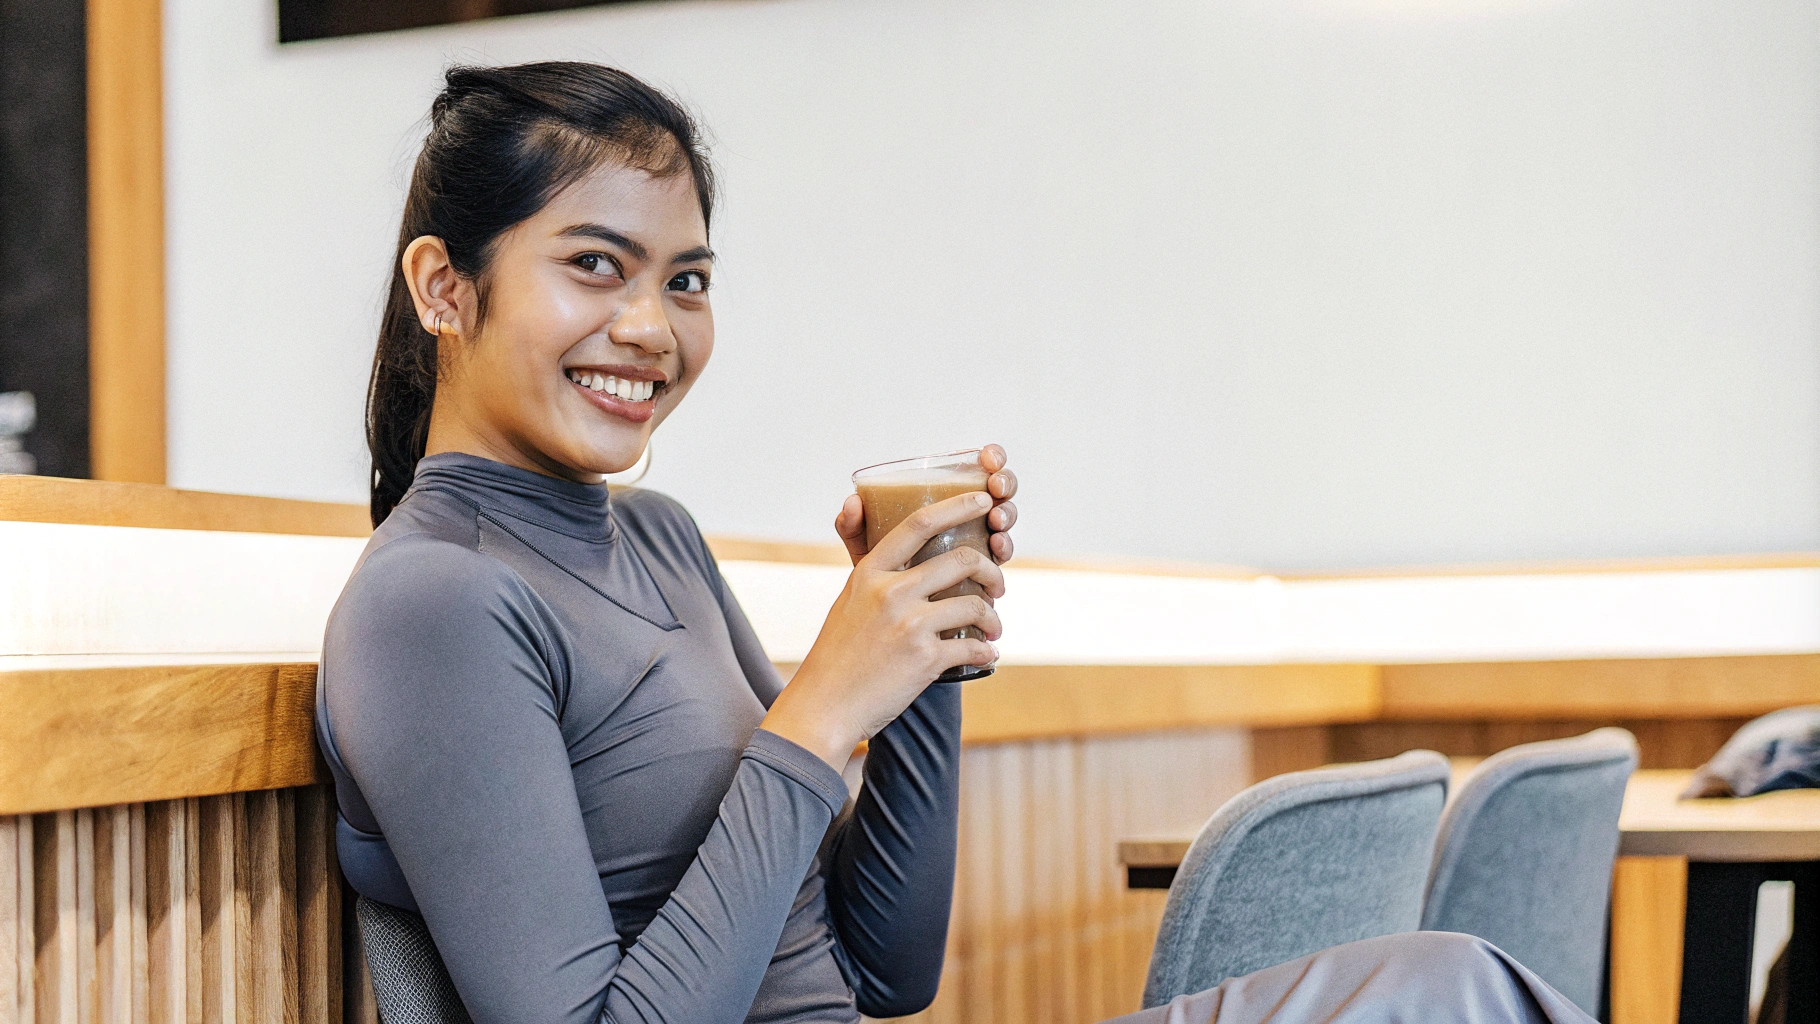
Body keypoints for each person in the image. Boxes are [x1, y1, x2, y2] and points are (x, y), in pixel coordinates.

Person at [314, 62, 1594, 1024]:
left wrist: (921, 667)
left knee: (1447, 981)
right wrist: (817, 712)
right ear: (444, 286)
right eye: (597, 265)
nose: (651, 325)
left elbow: (882, 966)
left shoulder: (655, 538)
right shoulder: (433, 601)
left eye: (687, 280)